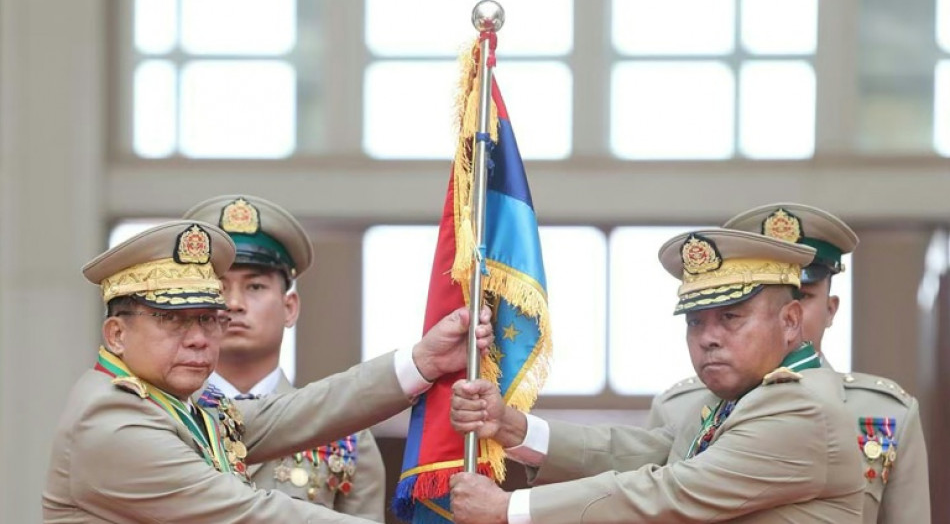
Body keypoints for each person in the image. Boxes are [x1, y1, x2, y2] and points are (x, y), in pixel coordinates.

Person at [43, 220, 493, 523]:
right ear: (116, 334)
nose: (199, 338)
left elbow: (293, 413)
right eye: (171, 319)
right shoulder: (113, 423)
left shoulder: (175, 406)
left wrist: (422, 362)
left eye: (207, 319)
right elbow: (254, 514)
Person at [448, 228, 865, 523]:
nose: (708, 339)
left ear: (791, 322)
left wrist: (510, 511)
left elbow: (673, 491)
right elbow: (647, 452)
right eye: (695, 323)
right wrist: (513, 428)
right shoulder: (741, 395)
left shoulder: (799, 406)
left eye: (731, 317)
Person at [648, 203, 930, 523]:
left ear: (830, 309)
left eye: (804, 295)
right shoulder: (680, 408)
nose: (788, 311)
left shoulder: (888, 412)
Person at [184, 195, 387, 520]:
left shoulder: (343, 434)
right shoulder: (163, 419)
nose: (234, 303)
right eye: (219, 288)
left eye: (255, 287)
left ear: (289, 308)